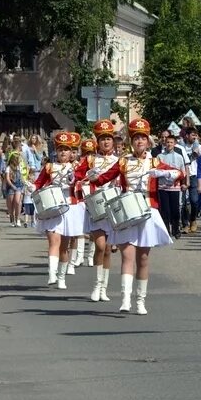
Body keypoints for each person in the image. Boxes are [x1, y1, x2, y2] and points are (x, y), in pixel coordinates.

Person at [90, 118, 177, 314]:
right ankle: (125, 299)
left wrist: (165, 174)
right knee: (127, 256)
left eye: (143, 138)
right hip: (127, 211)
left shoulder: (154, 161)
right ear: (131, 140)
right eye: (136, 138)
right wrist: (91, 176)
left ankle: (140, 300)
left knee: (143, 259)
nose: (139, 141)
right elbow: (104, 177)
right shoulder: (123, 161)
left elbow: (178, 173)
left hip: (147, 211)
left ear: (148, 141)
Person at [73, 120, 122, 302]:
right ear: (97, 141)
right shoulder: (90, 159)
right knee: (100, 246)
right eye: (102, 139)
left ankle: (104, 288)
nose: (106, 142)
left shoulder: (120, 160)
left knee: (108, 249)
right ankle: (96, 284)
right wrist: (86, 177)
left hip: (112, 206)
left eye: (109, 138)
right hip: (95, 205)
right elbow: (76, 177)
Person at [33, 131, 83, 289]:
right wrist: (31, 187)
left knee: (64, 246)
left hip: (69, 206)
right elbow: (39, 183)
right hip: (52, 206)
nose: (63, 152)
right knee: (53, 241)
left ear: (70, 152)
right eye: (60, 149)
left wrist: (75, 178)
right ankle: (52, 273)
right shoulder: (49, 167)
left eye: (66, 149)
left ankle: (61, 276)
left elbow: (79, 183)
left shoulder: (76, 167)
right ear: (56, 151)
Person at [156, 133, 188, 238]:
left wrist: (184, 183)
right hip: (163, 186)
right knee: (165, 210)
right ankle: (166, 230)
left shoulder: (179, 157)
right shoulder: (160, 156)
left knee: (175, 209)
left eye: (171, 142)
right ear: (165, 143)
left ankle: (176, 229)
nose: (169, 144)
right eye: (167, 142)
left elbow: (183, 172)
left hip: (175, 187)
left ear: (175, 144)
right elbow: (156, 170)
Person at [4, 152, 25, 227]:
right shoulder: (8, 168)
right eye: (18, 159)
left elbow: (21, 176)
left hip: (19, 186)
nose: (19, 161)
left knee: (17, 202)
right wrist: (12, 186)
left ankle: (18, 219)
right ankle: (12, 218)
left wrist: (24, 183)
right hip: (11, 186)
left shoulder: (19, 167)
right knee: (11, 204)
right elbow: (7, 179)